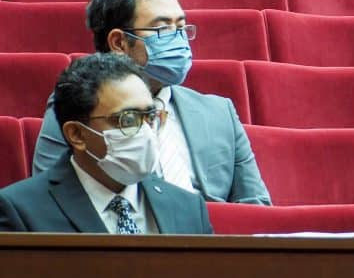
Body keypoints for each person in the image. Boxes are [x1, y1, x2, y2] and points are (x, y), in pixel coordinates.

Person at [32, 0, 270, 205]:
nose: (178, 39)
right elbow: (48, 203)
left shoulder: (220, 112)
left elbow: (257, 209)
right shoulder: (80, 104)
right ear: (119, 42)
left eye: (181, 27)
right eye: (163, 28)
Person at [0, 53, 213, 233]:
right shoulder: (20, 211)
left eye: (149, 116)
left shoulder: (189, 208)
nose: (146, 132)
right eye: (127, 120)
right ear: (77, 134)